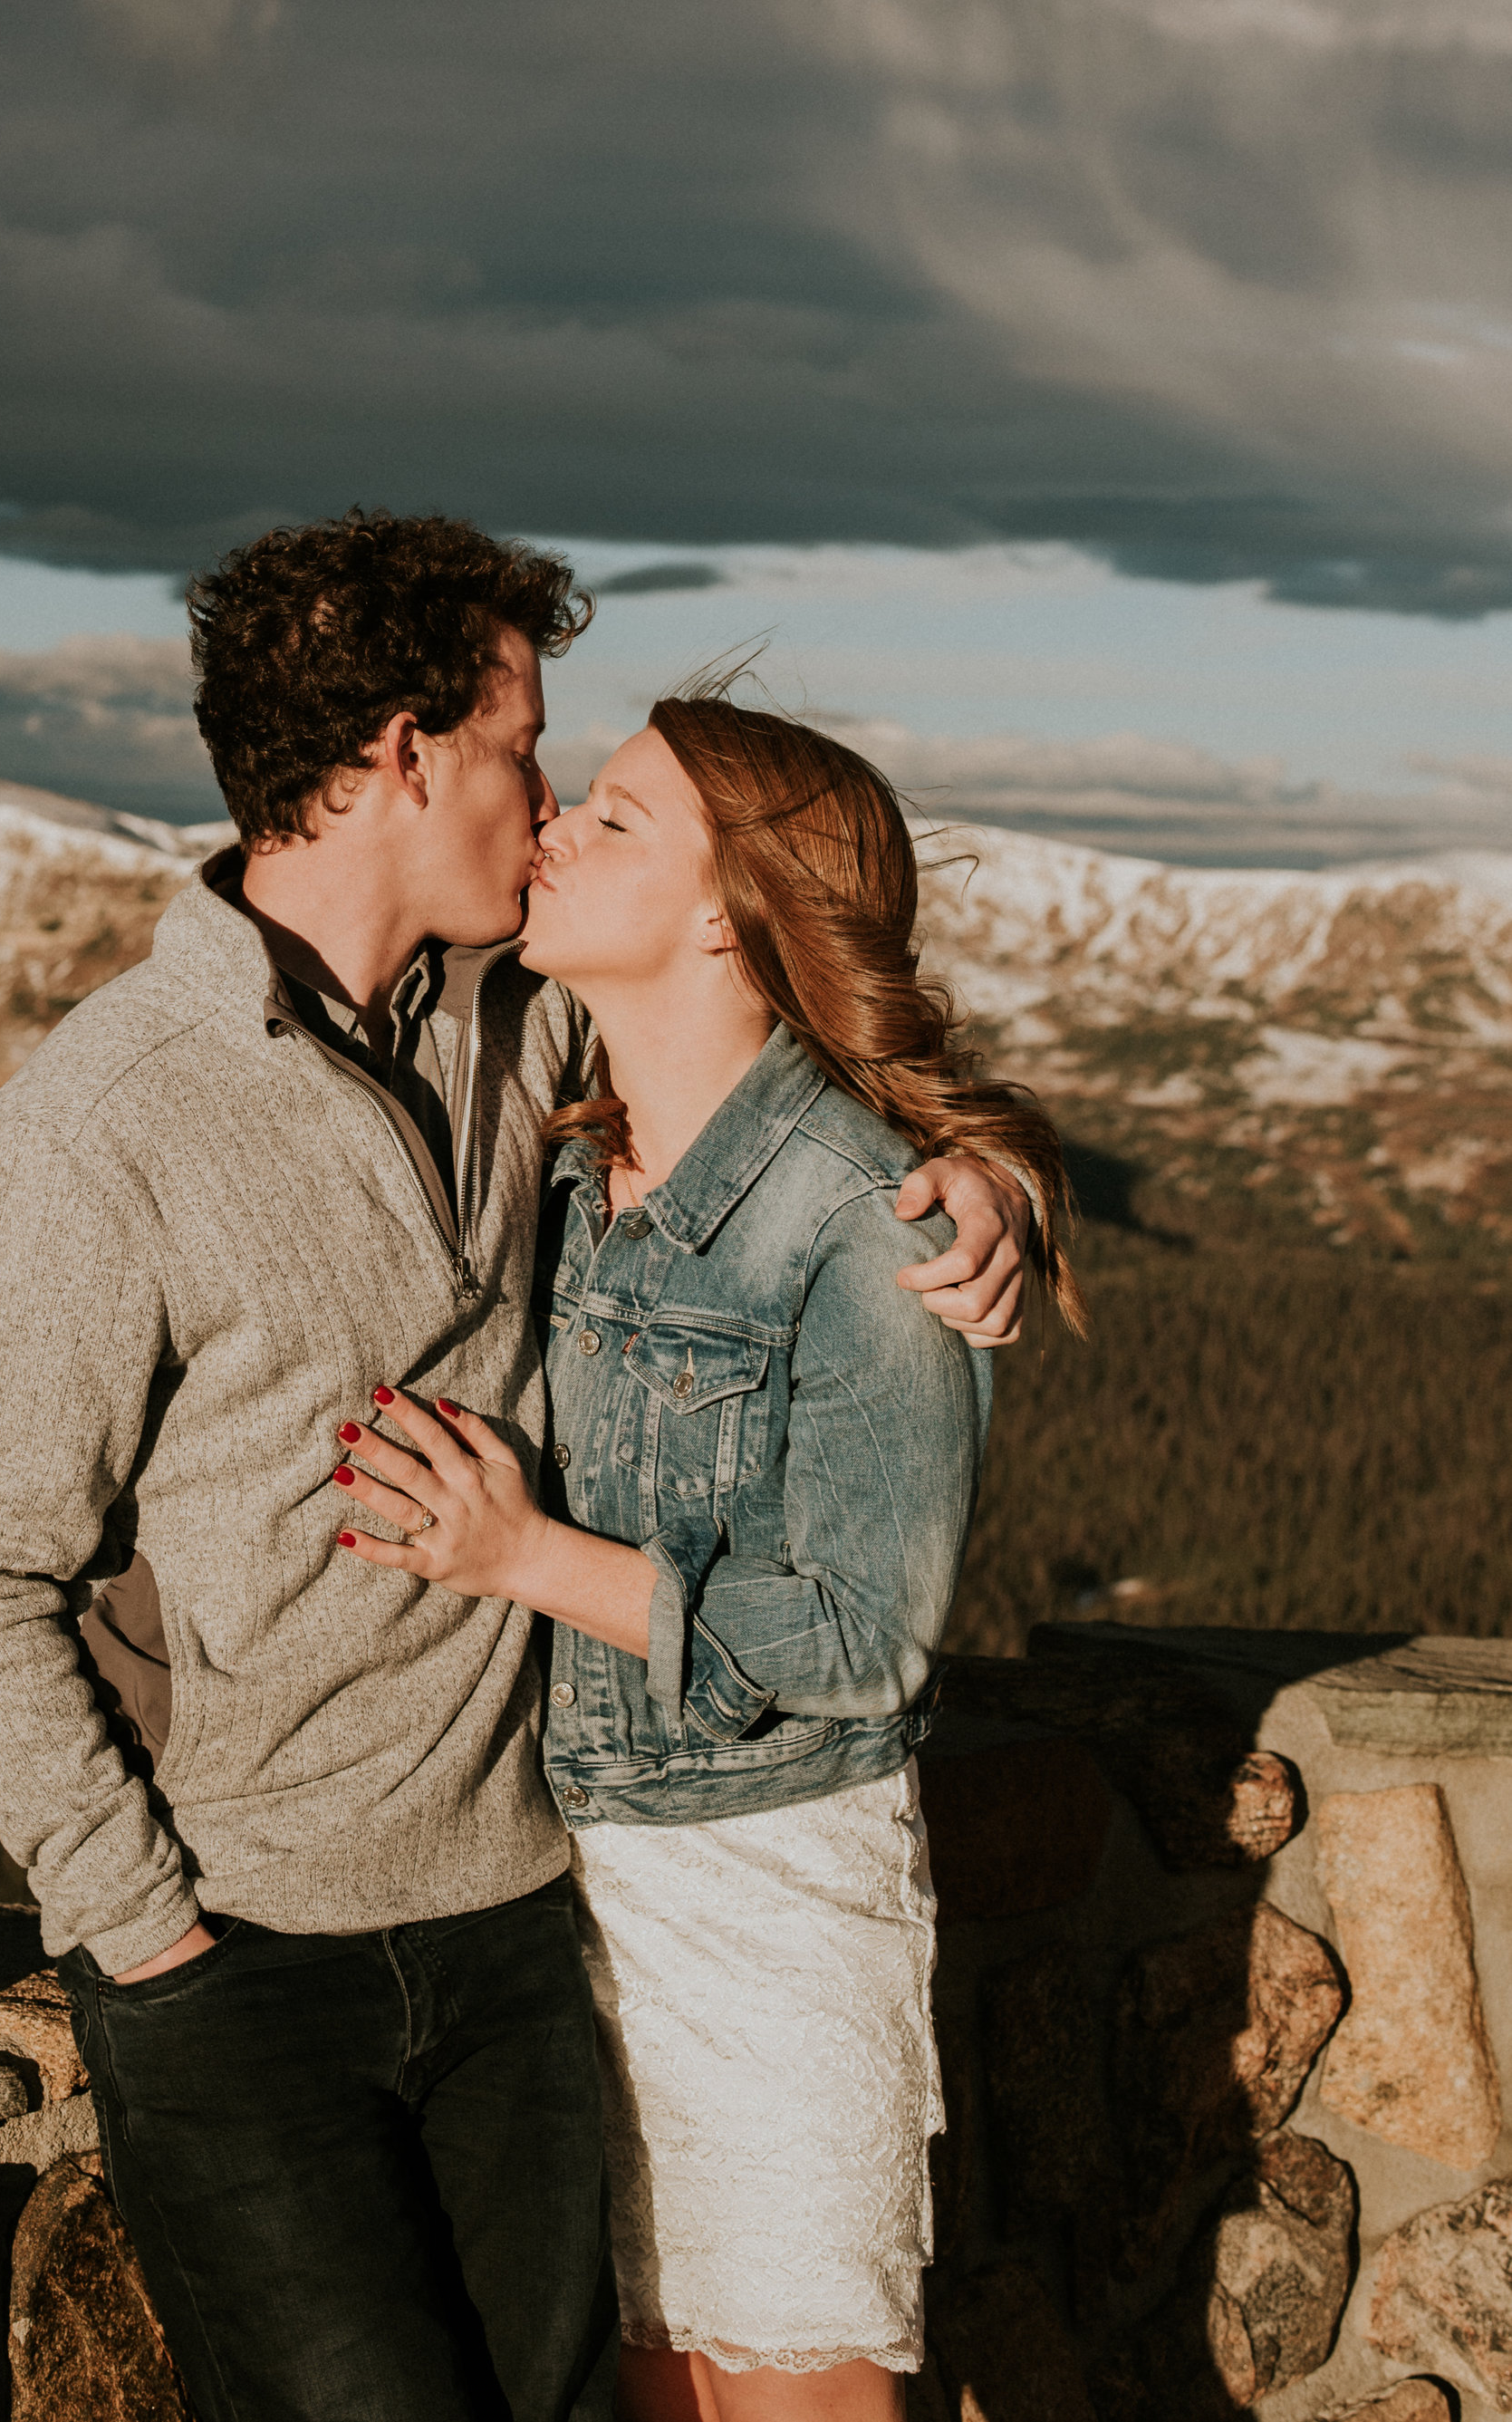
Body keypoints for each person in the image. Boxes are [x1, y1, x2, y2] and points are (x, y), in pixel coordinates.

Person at [0, 517, 1033, 2422]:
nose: (548, 793)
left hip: (526, 1936)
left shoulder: (525, 1015)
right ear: (406, 756)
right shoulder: (101, 1122)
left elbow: (786, 1048)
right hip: (244, 1968)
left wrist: (977, 1178)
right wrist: (146, 1931)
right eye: (519, 741)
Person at [333, 691, 1081, 2421]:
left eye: (615, 818)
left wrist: (525, 1557)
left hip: (772, 1899)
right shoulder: (578, 1156)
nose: (556, 833)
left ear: (729, 916)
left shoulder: (864, 1210)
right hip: (568, 1894)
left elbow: (863, 1637)